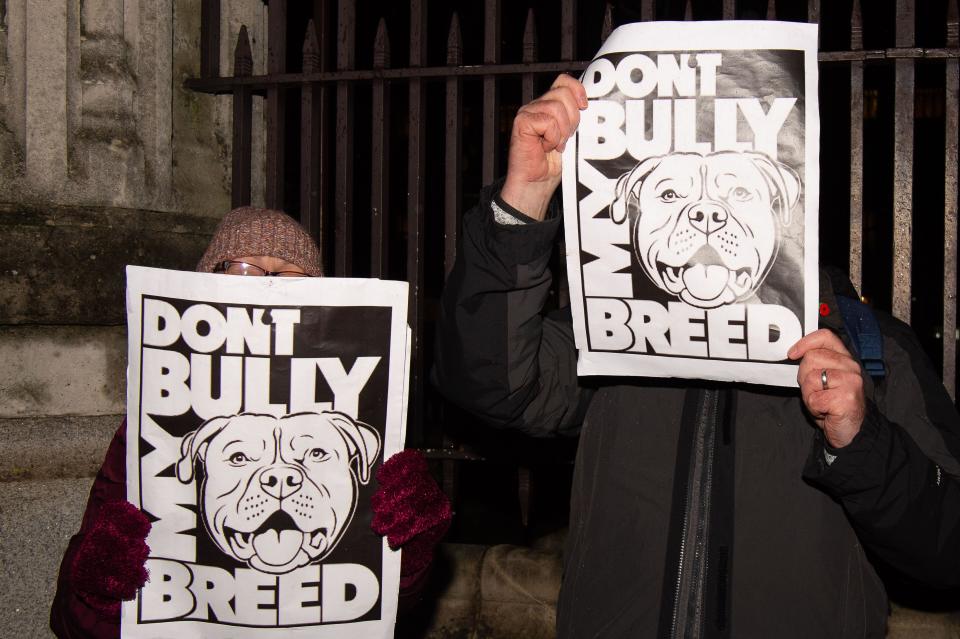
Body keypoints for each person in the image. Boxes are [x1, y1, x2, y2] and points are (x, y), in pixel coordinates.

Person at [433, 74, 960, 638]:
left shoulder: (876, 351)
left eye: (738, 191)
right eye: (669, 193)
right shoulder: (611, 333)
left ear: (792, 202)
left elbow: (949, 551)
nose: (706, 214)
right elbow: (487, 382)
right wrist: (523, 202)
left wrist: (863, 441)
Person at [50, 206, 451, 638]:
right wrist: (100, 594)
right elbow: (71, 625)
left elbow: (388, 612)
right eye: (243, 268)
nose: (268, 286)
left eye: (291, 275)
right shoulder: (153, 430)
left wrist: (409, 557)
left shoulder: (361, 413)